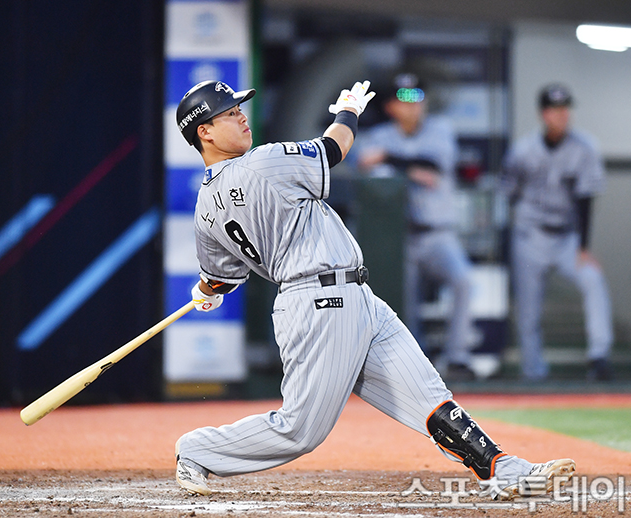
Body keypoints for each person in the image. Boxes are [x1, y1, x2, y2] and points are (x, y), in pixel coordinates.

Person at [173, 79, 575, 500]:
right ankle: (198, 449)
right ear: (205, 131)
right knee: (300, 430)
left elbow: (221, 277)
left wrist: (206, 290)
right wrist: (348, 111)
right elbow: (334, 148)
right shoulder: (262, 162)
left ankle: (503, 470)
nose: (242, 116)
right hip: (318, 302)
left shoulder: (205, 206)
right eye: (229, 113)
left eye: (238, 108)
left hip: (355, 296)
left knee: (428, 396)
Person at [355, 72, 477, 382]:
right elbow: (365, 166)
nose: (412, 106)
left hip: (438, 234)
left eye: (417, 99)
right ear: (390, 107)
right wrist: (410, 167)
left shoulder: (440, 129)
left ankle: (458, 358)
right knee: (401, 301)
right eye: (404, 100)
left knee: (463, 282)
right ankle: (414, 363)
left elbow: (433, 168)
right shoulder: (378, 136)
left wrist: (389, 159)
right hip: (398, 238)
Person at [500, 83, 614, 382]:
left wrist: (584, 248)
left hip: (566, 238)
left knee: (592, 279)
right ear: (543, 114)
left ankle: (599, 357)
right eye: (554, 109)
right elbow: (508, 193)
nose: (561, 114)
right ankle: (533, 373)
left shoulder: (584, 147)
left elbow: (586, 200)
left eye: (565, 108)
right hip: (530, 235)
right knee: (528, 310)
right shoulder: (523, 150)